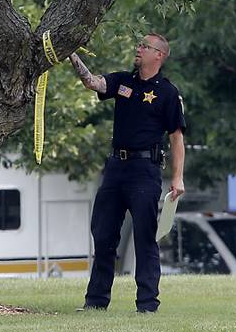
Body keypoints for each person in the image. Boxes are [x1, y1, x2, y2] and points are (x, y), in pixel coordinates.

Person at [67, 33, 186, 313]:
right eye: (139, 45)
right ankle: (95, 302)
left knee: (145, 237)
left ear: (159, 55)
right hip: (115, 168)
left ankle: (147, 304)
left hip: (145, 170)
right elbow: (92, 83)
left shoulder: (167, 92)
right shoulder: (123, 81)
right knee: (104, 233)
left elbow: (177, 138)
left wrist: (178, 177)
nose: (139, 49)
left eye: (145, 46)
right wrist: (71, 54)